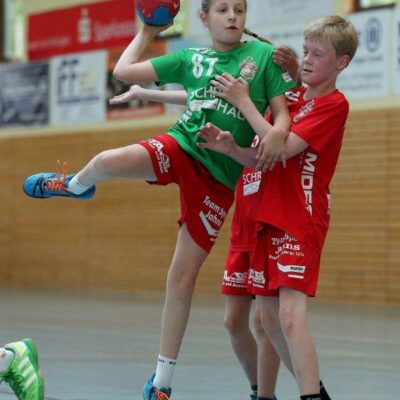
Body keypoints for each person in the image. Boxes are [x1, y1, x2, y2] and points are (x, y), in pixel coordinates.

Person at [22, 1, 295, 399]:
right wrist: (148, 31)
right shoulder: (190, 58)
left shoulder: (263, 56)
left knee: (182, 277)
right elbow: (122, 70)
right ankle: (75, 185)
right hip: (182, 146)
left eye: (239, 9)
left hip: (218, 180)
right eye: (222, 10)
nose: (232, 16)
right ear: (204, 18)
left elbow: (282, 113)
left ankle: (162, 383)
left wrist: (278, 132)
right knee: (107, 160)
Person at [196, 15, 358, 400]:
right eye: (305, 51)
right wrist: (231, 148)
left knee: (288, 315)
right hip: (267, 217)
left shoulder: (333, 104)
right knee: (267, 319)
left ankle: (309, 395)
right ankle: (314, 391)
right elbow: (262, 157)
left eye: (318, 54)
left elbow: (282, 148)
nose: (307, 60)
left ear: (341, 63)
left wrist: (243, 101)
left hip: (300, 217)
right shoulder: (293, 100)